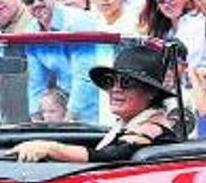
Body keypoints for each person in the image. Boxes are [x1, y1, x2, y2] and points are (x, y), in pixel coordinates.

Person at [13, 44, 178, 162]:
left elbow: (111, 156)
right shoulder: (127, 125)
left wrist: (49, 148)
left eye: (127, 83)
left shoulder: (151, 127)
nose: (115, 89)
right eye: (110, 81)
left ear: (151, 92)